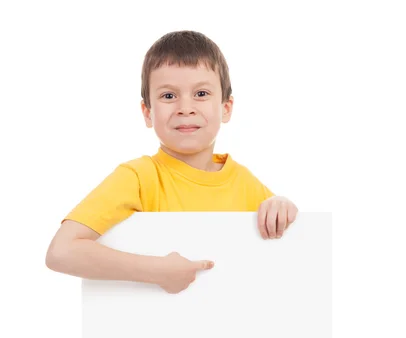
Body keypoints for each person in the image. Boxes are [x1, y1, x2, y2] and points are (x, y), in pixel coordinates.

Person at [45, 30, 298, 294]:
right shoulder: (138, 178)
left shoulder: (245, 183)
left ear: (226, 108)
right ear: (147, 112)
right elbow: (61, 252)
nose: (185, 107)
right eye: (169, 96)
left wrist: (281, 204)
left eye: (201, 93)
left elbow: (287, 247)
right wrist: (156, 271)